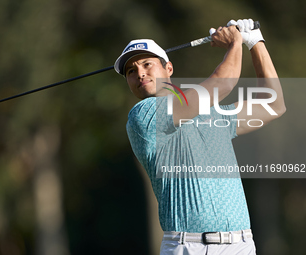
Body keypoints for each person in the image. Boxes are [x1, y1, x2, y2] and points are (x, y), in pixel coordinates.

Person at [114, 19, 286, 255]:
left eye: (146, 64)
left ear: (169, 69)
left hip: (241, 245)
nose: (140, 73)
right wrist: (235, 42)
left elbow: (274, 104)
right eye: (131, 71)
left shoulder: (211, 113)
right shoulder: (143, 116)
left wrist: (255, 41)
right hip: (188, 246)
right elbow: (222, 85)